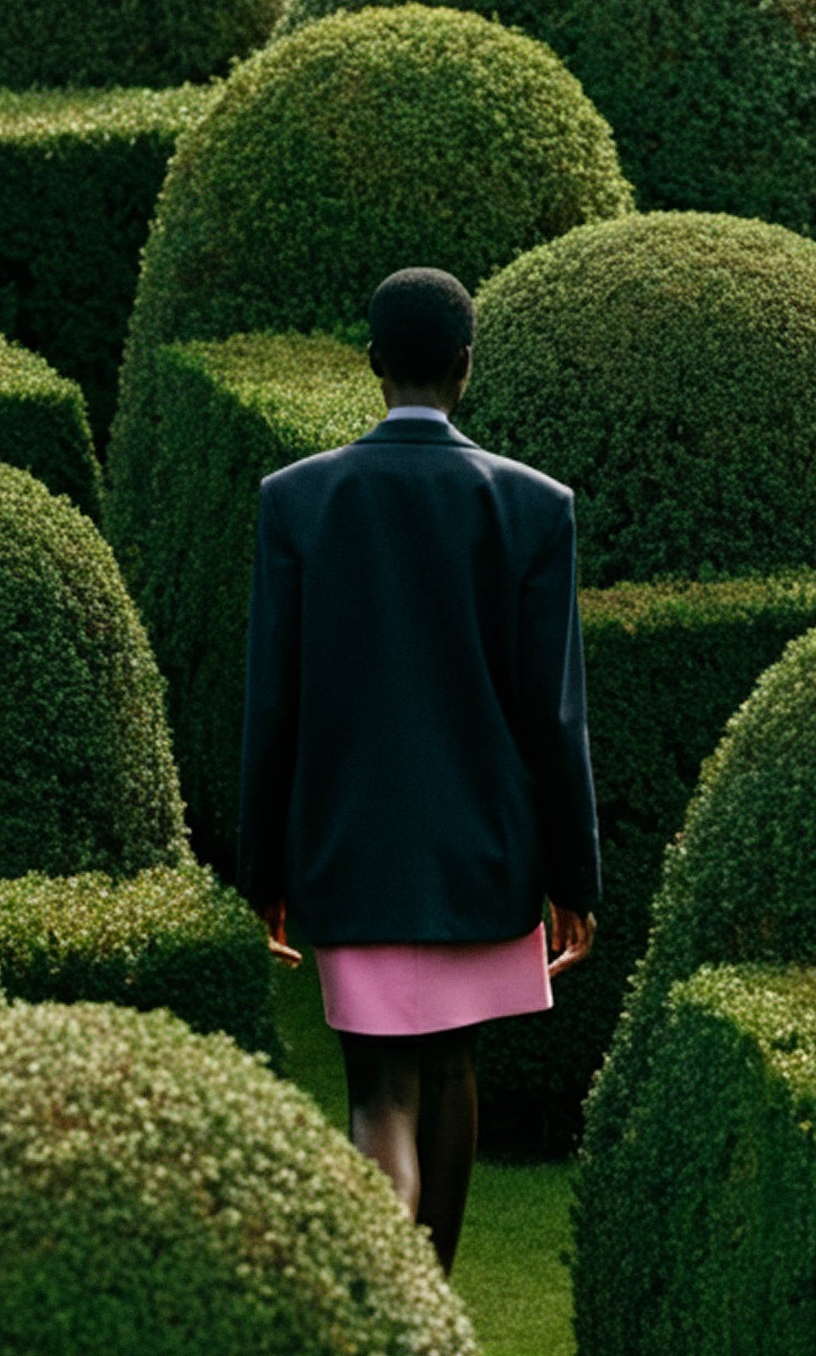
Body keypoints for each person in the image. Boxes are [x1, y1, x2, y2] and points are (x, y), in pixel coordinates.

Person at [236, 266, 601, 1272]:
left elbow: (271, 704)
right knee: (450, 1068)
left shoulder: (294, 501)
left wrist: (260, 870)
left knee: (376, 1087)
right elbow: (553, 713)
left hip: (347, 845)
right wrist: (574, 875)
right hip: (482, 846)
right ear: (464, 367)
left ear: (372, 363)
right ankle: (424, 1299)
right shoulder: (534, 507)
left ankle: (387, 1298)